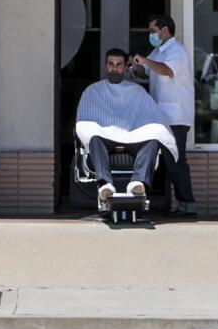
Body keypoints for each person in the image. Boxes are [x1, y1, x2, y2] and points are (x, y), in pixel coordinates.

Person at [74, 49, 175, 213]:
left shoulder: (136, 91)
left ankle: (138, 184)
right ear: (106, 65)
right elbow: (84, 120)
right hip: (105, 138)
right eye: (111, 64)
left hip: (132, 136)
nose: (114, 68)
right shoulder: (93, 91)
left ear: (125, 65)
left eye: (119, 64)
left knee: (152, 139)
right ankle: (105, 185)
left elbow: (151, 117)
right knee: (93, 137)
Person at [132, 13, 199, 215]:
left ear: (165, 30)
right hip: (159, 117)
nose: (150, 35)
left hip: (176, 117)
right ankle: (139, 199)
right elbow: (147, 71)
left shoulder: (177, 52)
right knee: (149, 156)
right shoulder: (158, 51)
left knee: (175, 161)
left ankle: (188, 205)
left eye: (153, 31)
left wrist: (145, 61)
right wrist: (137, 67)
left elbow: (166, 70)